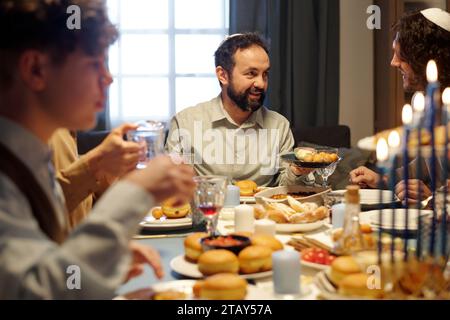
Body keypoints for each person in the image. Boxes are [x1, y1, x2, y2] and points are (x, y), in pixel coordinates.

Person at [0, 0, 195, 299]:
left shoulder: (34, 152)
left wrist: (98, 260)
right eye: (94, 63)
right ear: (35, 69)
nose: (108, 77)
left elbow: (42, 264)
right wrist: (135, 192)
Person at [166, 33, 311, 187]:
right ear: (223, 75)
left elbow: (286, 187)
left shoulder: (279, 126)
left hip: (261, 210)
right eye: (251, 74)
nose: (261, 84)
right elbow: (174, 186)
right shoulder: (185, 123)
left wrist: (298, 171)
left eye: (265, 74)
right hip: (209, 209)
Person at [350, 8, 450, 204]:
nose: (393, 63)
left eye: (401, 55)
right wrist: (383, 179)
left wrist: (434, 198)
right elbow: (425, 163)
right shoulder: (422, 102)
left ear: (425, 57)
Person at [49, 125, 141, 227]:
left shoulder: (64, 132)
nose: (101, 108)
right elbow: (41, 208)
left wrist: (105, 177)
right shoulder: (43, 135)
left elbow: (80, 212)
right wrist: (96, 165)